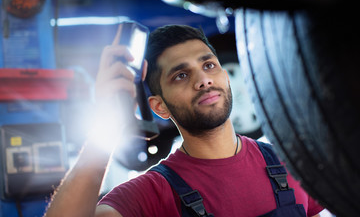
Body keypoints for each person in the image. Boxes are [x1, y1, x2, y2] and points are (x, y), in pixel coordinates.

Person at [44, 24, 324, 217]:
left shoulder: (291, 162)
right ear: (159, 107)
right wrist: (106, 125)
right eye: (181, 75)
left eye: (209, 65)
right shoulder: (152, 194)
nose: (203, 80)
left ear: (225, 75)